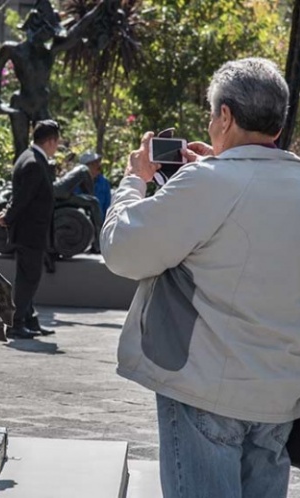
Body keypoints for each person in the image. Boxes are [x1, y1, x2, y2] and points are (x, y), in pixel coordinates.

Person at [100, 57, 298, 497]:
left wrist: (134, 180)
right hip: (280, 397)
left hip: (205, 390)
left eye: (212, 115)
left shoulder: (211, 183)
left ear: (225, 116)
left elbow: (123, 251)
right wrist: (219, 165)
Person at [0, 0, 102, 161]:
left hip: (41, 103)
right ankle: (20, 182)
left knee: (45, 148)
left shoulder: (49, 52)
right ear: (31, 30)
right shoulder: (13, 50)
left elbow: (77, 32)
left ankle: (42, 182)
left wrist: (100, 8)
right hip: (21, 103)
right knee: (20, 150)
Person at [0, 120, 59, 339]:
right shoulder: (33, 162)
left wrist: (8, 214)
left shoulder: (29, 157)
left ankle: (30, 321)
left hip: (31, 232)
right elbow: (23, 198)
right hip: (30, 232)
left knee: (28, 277)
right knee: (28, 279)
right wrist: (9, 216)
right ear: (50, 141)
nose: (57, 147)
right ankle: (16, 323)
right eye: (57, 142)